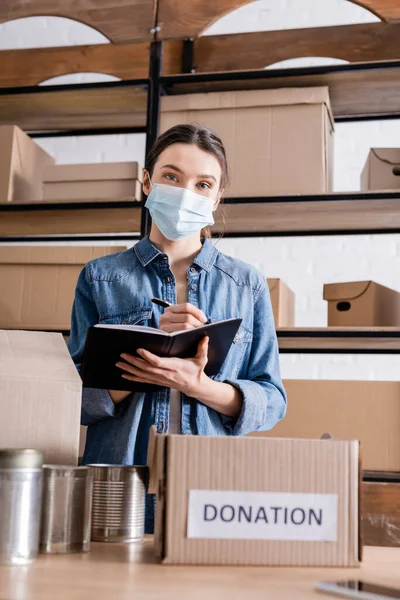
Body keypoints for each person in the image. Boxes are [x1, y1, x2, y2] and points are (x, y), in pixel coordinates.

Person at [68, 124, 287, 533]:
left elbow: (272, 401)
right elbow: (70, 403)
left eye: (203, 184)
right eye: (171, 176)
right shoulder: (99, 278)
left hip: (213, 488)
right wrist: (144, 369)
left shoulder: (247, 284)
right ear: (147, 181)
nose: (186, 193)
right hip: (117, 484)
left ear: (217, 196)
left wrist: (197, 384)